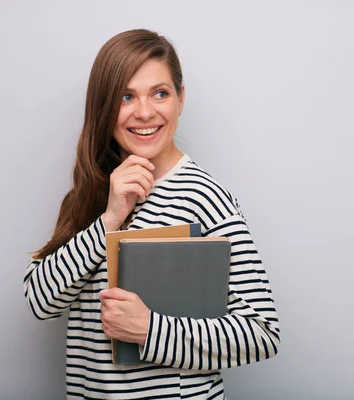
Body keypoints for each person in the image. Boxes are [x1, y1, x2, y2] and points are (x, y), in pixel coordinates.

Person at [23, 29, 280, 399]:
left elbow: (261, 333)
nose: (145, 112)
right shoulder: (93, 194)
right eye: (126, 96)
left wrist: (148, 329)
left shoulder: (204, 197)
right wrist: (110, 218)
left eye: (160, 93)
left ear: (180, 99)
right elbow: (39, 300)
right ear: (104, 105)